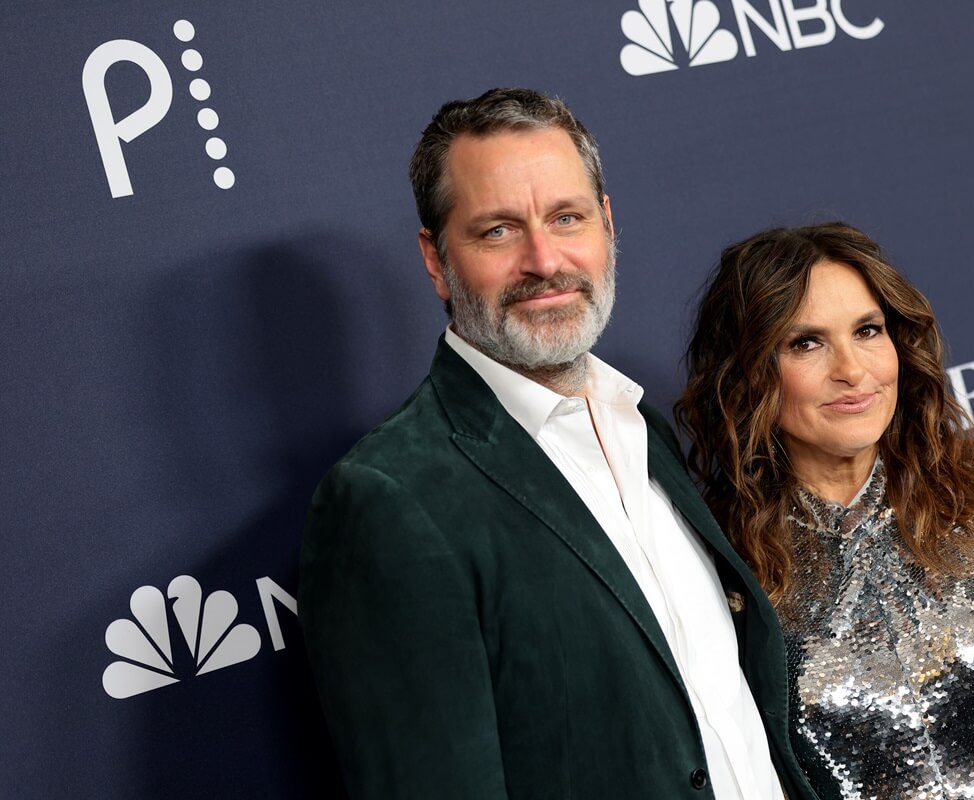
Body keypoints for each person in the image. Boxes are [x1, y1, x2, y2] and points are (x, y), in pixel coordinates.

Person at [298, 88, 826, 799]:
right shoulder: (389, 498)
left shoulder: (642, 425)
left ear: (606, 224)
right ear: (435, 258)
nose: (544, 260)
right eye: (497, 231)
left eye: (566, 218)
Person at [676, 223, 974, 800]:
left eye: (868, 331)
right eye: (805, 342)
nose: (852, 370)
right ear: (748, 372)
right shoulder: (717, 562)